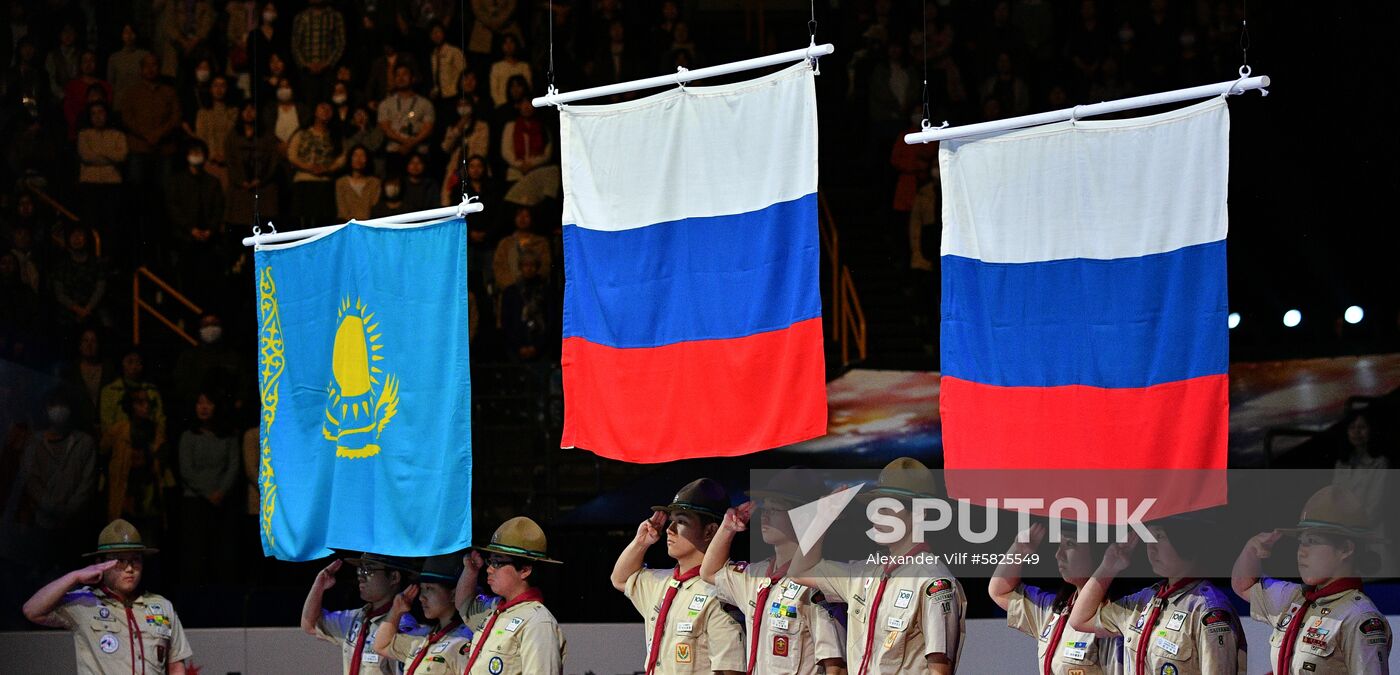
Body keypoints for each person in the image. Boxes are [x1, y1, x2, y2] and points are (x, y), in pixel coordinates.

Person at [790, 457, 967, 675]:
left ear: (920, 513)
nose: (875, 516)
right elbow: (799, 571)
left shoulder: (933, 581)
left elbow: (939, 670)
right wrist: (822, 519)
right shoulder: (866, 572)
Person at [700, 469, 847, 674]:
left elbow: (836, 666)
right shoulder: (757, 575)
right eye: (765, 508)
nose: (765, 515)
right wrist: (727, 529)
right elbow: (709, 572)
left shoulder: (815, 583)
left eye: (776, 508)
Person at [1232, 486, 1392, 674]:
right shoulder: (1293, 598)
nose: (1302, 551)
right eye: (1301, 541)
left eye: (1313, 541)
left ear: (1346, 549)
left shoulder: (1359, 618)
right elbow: (1244, 586)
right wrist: (1250, 551)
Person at [1070, 515, 1245, 675]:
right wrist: (1108, 567)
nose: (1151, 547)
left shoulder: (1208, 609)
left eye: (1159, 536)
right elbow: (1079, 619)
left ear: (1185, 539)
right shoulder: (1144, 600)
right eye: (1149, 538)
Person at [611, 479, 745, 675]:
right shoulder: (662, 582)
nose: (669, 529)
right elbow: (620, 579)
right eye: (671, 520)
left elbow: (730, 670)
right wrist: (641, 542)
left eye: (681, 521)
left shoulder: (722, 592)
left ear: (710, 531)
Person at [22, 519, 193, 673]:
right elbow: (32, 610)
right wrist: (75, 576)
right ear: (100, 563)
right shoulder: (84, 603)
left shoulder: (162, 606)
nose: (129, 568)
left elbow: (176, 663)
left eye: (135, 559)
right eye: (119, 560)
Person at [988, 521, 1121, 674]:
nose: (1058, 554)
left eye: (1070, 544)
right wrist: (1019, 550)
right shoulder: (1056, 609)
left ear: (1099, 553)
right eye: (1059, 545)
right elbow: (999, 591)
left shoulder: (1115, 618)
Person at [456, 516, 567, 674]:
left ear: (524, 570)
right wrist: (470, 571)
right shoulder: (495, 609)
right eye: (489, 562)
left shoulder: (537, 622)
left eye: (498, 563)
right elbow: (463, 605)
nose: (489, 569)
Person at [301, 552, 424, 674]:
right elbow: (310, 625)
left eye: (368, 570)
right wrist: (319, 586)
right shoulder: (357, 618)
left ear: (394, 577)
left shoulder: (402, 625)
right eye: (360, 570)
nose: (361, 577)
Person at [17, 389, 98, 565]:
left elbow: (88, 482)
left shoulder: (85, 442)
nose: (59, 410)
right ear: (46, 408)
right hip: (41, 522)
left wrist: (70, 509)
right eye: (54, 405)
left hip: (75, 525)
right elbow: (31, 480)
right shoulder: (34, 443)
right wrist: (49, 506)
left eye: (63, 405)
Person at [176, 391, 239, 585]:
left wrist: (221, 491)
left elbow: (233, 466)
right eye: (199, 402)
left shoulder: (228, 437)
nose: (203, 407)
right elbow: (186, 470)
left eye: (208, 402)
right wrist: (208, 493)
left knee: (222, 553)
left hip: (221, 500)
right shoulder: (188, 436)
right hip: (195, 501)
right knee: (196, 554)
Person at [373, 554, 473, 674]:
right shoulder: (424, 636)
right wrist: (396, 610)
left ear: (453, 595)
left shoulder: (465, 639)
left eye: (430, 589)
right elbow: (381, 645)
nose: (421, 597)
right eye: (422, 589)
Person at [287, 102, 346, 227]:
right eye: (322, 108)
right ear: (315, 111)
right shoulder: (302, 133)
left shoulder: (335, 136)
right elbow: (292, 155)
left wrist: (327, 169)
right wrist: (308, 167)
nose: (325, 111)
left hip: (325, 183)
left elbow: (342, 157)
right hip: (304, 182)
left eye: (329, 108)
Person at [378, 64, 436, 172]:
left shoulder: (425, 103)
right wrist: (404, 141)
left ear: (413, 78)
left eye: (404, 74)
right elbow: (385, 128)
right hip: (395, 151)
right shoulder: (385, 104)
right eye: (397, 75)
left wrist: (412, 143)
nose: (401, 78)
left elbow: (428, 128)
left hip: (419, 151)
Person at [492, 206, 551, 291]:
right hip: (510, 292)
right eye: (519, 215)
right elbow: (499, 268)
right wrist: (512, 286)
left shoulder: (541, 243)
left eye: (526, 216)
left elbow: (545, 267)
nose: (522, 219)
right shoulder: (506, 243)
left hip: (535, 291)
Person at [337, 145, 382, 221]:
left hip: (369, 224)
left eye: (362, 156)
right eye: (355, 155)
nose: (358, 159)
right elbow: (342, 210)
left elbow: (375, 206)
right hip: (347, 225)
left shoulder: (375, 183)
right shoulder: (341, 182)